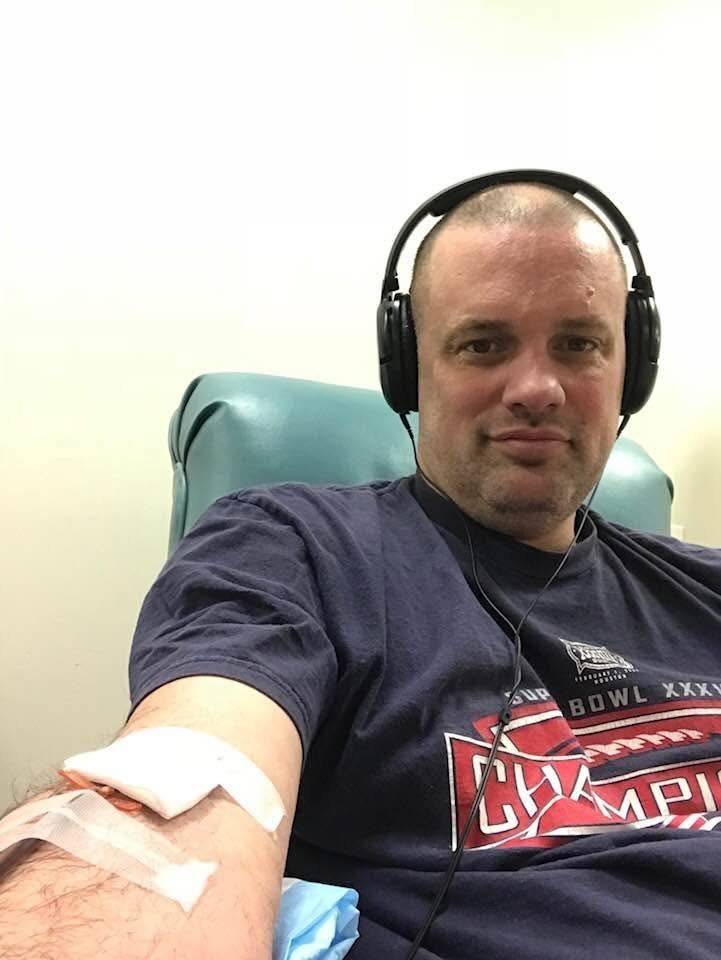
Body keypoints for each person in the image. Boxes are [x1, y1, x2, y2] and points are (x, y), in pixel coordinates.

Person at [3, 173, 721, 960]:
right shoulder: (294, 548)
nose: (536, 389)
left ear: (632, 369)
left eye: (578, 344)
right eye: (483, 343)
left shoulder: (704, 588)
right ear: (410, 369)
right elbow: (191, 767)